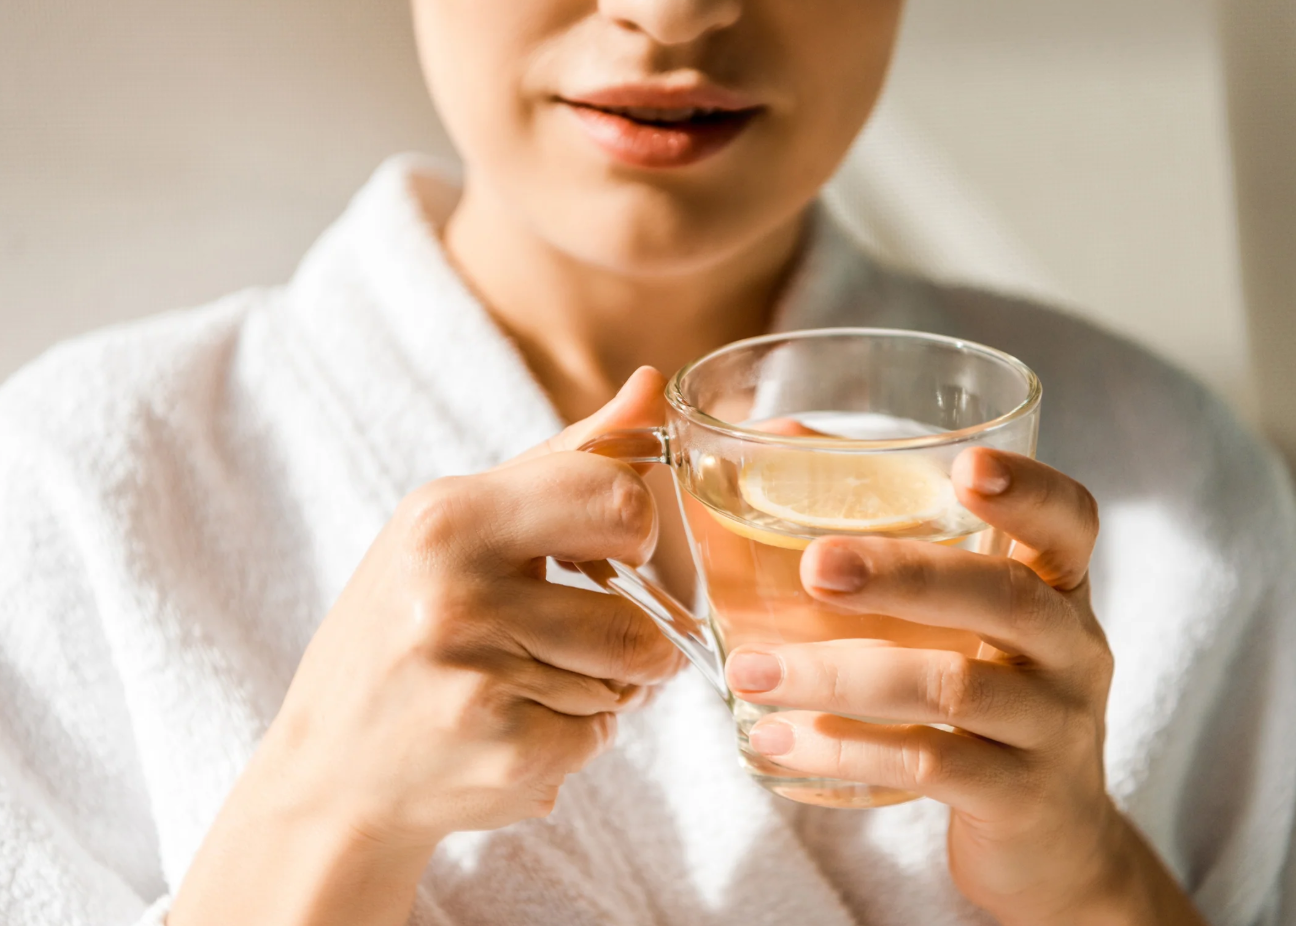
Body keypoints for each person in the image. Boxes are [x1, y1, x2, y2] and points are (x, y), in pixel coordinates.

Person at [1, 1, 1293, 924]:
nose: (671, 18)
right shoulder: (77, 488)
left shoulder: (1173, 486)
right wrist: (321, 806)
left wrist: (1086, 876)